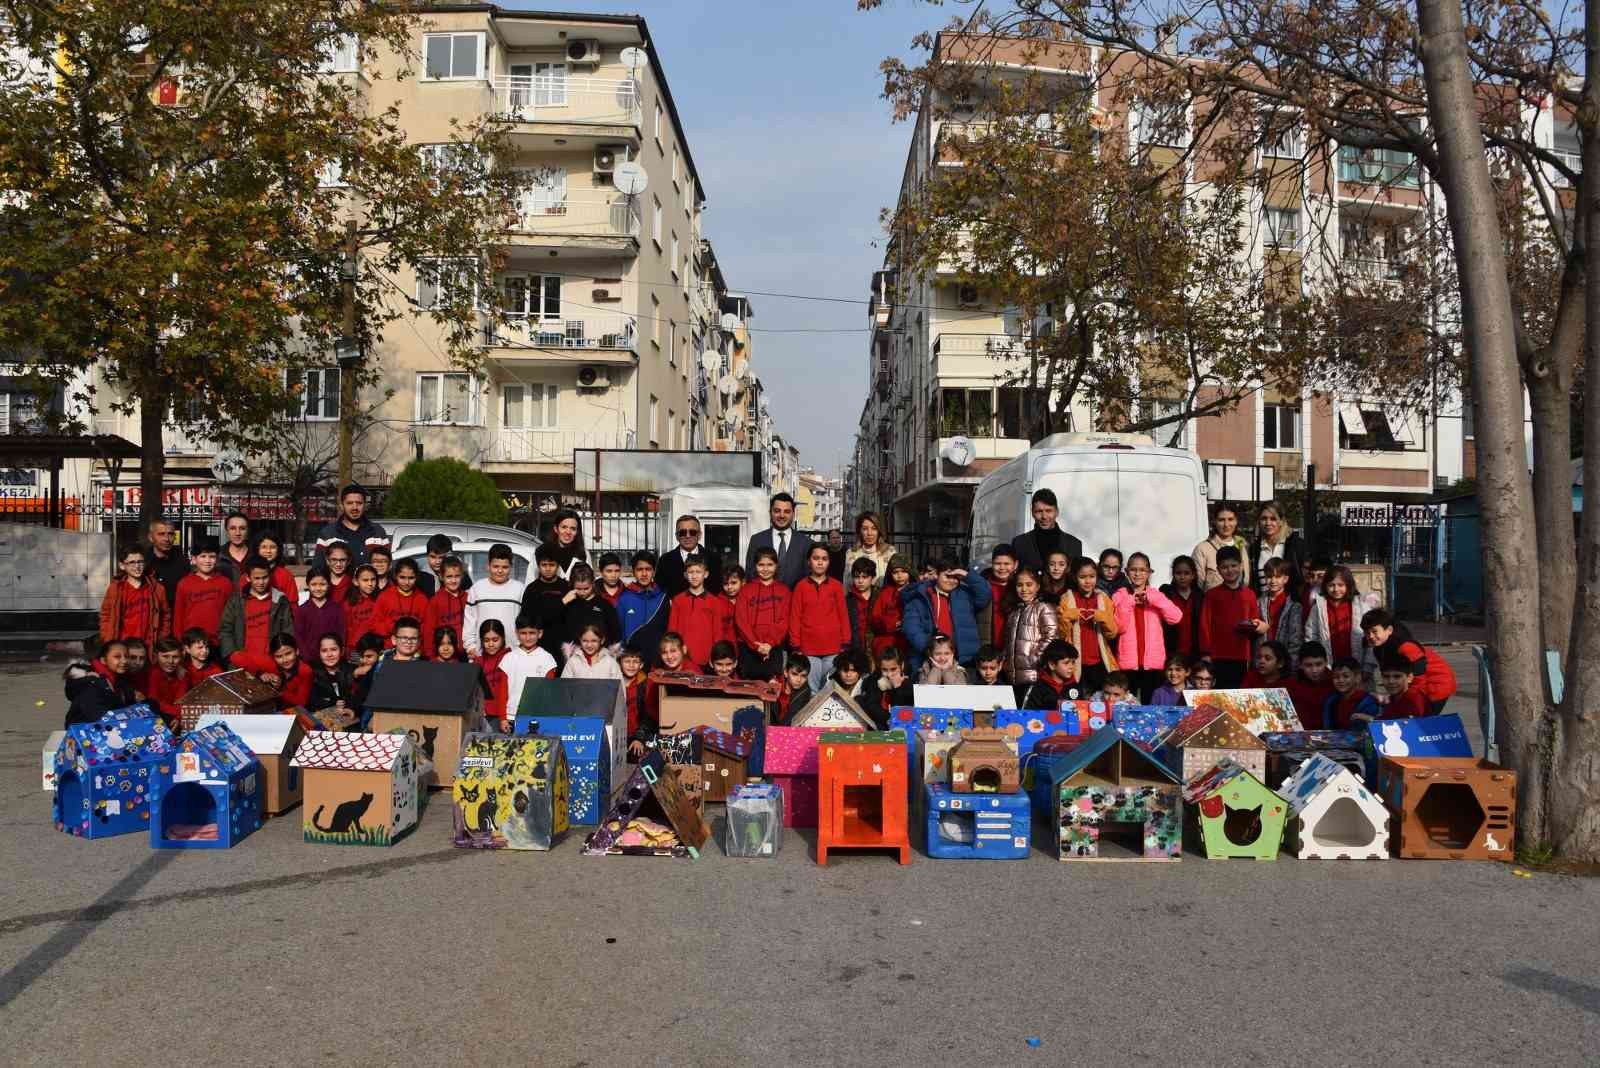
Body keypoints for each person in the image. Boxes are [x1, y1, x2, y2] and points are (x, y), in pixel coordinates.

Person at [900, 557, 992, 674]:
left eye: (956, 578)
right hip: (929, 660)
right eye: (947, 576)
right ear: (936, 575)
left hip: (963, 660)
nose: (951, 581)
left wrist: (966, 575)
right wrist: (931, 649)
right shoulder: (921, 596)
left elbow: (985, 593)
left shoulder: (964, 594)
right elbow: (911, 628)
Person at [1111, 552, 1183, 702]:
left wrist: (1152, 599)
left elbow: (1176, 617)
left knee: (1150, 706)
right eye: (1133, 570)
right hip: (1128, 664)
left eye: (1143, 570)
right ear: (1126, 571)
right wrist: (1131, 601)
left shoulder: (1156, 595)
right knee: (1126, 705)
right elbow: (1119, 627)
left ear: (1150, 572)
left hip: (1153, 664)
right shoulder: (1119, 595)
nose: (1138, 574)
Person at [1360, 610, 1458, 712]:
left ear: (1389, 630)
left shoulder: (1404, 646)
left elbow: (1419, 672)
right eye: (1367, 632)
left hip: (1436, 684)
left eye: (1374, 631)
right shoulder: (1379, 648)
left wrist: (1412, 698)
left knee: (1419, 721)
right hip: (1419, 684)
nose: (1371, 636)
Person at [790, 544, 851, 692]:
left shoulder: (836, 586)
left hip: (833, 647)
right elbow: (795, 616)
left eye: (824, 559)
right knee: (812, 691)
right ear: (809, 561)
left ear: (829, 562)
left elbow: (843, 615)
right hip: (808, 648)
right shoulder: (801, 586)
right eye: (816, 558)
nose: (820, 562)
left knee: (829, 690)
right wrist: (796, 645)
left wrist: (846, 642)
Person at [1198, 545, 1260, 689]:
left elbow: (1255, 622)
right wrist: (1206, 653)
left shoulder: (1249, 594)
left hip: (1242, 655)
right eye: (1225, 567)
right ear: (1218, 569)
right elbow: (1204, 625)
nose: (1230, 570)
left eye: (1233, 565)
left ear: (1241, 566)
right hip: (1218, 656)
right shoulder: (1211, 595)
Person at [1058, 557, 1118, 695]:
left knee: (1100, 703)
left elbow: (1112, 633)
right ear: (1074, 577)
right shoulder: (1067, 599)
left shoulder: (1103, 599)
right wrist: (1067, 617)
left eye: (1092, 576)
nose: (1088, 581)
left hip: (1099, 662)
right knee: (1075, 703)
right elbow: (1061, 635)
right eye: (1082, 577)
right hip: (1074, 663)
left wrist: (1103, 618)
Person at [218, 557, 294, 665]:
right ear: (248, 578)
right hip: (243, 663)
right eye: (256, 578)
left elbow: (288, 630)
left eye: (265, 577)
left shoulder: (280, 600)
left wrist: (282, 658)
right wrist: (234, 656)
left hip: (272, 663)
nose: (261, 582)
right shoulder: (236, 601)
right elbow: (225, 630)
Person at [669, 556, 735, 669]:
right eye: (691, 572)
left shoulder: (714, 602)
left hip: (706, 658)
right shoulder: (678, 600)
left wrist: (715, 657)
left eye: (698, 572)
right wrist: (673, 653)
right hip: (682, 658)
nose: (694, 576)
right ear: (685, 575)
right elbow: (672, 631)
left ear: (706, 574)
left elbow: (718, 634)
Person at [735, 546, 790, 680]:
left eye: (770, 565)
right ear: (755, 565)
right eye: (761, 565)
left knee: (772, 687)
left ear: (776, 565)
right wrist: (755, 644)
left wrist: (769, 644)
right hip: (749, 648)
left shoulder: (784, 591)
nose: (765, 569)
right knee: (749, 688)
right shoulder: (746, 590)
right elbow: (741, 620)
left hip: (773, 648)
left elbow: (784, 620)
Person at [1001, 566, 1058, 694]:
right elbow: (1008, 641)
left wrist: (1035, 658)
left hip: (1034, 674)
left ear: (1037, 586)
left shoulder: (1043, 608)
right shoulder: (1014, 611)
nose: (1024, 589)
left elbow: (1051, 636)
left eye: (1029, 584)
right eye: (1020, 585)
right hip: (1012, 676)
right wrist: (1005, 662)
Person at [463, 544, 526, 657]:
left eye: (505, 567)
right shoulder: (477, 589)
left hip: (513, 653)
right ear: (488, 565)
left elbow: (524, 622)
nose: (500, 571)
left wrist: (521, 647)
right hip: (482, 654)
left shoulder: (519, 589)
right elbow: (470, 621)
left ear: (511, 567)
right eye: (495, 566)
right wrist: (470, 646)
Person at [1305, 565, 1375, 665]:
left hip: (1357, 662)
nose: (1336, 589)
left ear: (1348, 585)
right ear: (1325, 586)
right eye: (1331, 585)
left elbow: (1371, 638)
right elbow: (1311, 635)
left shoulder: (1361, 605)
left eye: (1340, 585)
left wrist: (1368, 665)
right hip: (1328, 662)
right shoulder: (1318, 607)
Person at [100, 544, 168, 646]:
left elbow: (165, 616)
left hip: (148, 646)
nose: (137, 566)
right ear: (122, 565)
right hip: (122, 645)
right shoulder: (115, 589)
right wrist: (107, 639)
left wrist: (160, 640)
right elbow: (105, 615)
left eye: (140, 562)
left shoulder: (157, 589)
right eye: (132, 562)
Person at [1010, 488, 1085, 577]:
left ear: (1057, 512)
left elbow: (1077, 578)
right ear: (1032, 513)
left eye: (1048, 511)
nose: (1044, 516)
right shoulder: (1019, 543)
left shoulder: (1074, 544)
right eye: (1039, 511)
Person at [745, 492, 814, 587]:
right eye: (777, 511)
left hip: (795, 600)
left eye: (787, 511)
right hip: (764, 599)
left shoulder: (806, 543)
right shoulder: (757, 540)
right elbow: (750, 575)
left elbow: (809, 578)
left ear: (793, 514)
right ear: (770, 512)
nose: (782, 515)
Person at [63, 642, 138, 727]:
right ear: (103, 660)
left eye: (126, 656)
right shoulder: (90, 682)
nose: (124, 661)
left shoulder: (120, 681)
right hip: (84, 735)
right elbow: (96, 716)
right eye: (117, 657)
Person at [173, 537, 231, 646]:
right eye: (203, 556)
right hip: (191, 641)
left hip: (218, 641)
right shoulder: (184, 583)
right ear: (194, 559)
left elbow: (231, 616)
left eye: (212, 556)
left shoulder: (225, 583)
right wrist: (179, 642)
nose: (207, 561)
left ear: (217, 559)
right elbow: (178, 617)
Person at [315, 483, 388, 565]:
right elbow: (318, 571)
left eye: (359, 503)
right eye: (349, 503)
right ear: (342, 505)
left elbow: (386, 567)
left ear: (365, 505)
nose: (355, 507)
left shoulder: (378, 532)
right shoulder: (327, 534)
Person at [618, 550, 670, 664]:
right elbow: (620, 632)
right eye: (640, 569)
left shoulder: (662, 597)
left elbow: (667, 630)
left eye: (648, 569)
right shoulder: (624, 598)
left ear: (654, 571)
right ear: (633, 571)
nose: (644, 574)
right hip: (633, 661)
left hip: (657, 660)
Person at [500, 614, 557, 718]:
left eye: (532, 633)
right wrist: (503, 718)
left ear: (540, 633)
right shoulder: (508, 658)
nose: (527, 637)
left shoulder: (547, 659)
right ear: (517, 634)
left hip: (536, 715)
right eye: (523, 633)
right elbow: (502, 692)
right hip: (510, 716)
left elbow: (548, 693)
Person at [560, 563, 622, 658]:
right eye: (578, 589)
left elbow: (615, 630)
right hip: (575, 656)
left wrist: (610, 652)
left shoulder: (604, 604)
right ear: (572, 584)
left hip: (601, 655)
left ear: (593, 583)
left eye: (586, 588)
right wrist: (563, 602)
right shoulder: (569, 603)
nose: (582, 592)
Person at [521, 543, 571, 660]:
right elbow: (529, 618)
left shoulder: (566, 587)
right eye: (544, 565)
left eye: (552, 565)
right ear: (538, 566)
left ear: (558, 566)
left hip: (562, 646)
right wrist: (562, 602)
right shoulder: (532, 589)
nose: (548, 568)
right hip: (538, 645)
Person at [656, 513, 723, 599]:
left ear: (699, 535)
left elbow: (717, 589)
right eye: (683, 532)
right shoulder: (665, 560)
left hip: (706, 610)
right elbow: (660, 591)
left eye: (692, 532)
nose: (687, 536)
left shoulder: (714, 559)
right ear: (677, 536)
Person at [1251, 502, 1308, 595]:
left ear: (1281, 521)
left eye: (1273, 519)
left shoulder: (1295, 544)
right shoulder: (1254, 548)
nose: (1268, 523)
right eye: (1264, 518)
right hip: (1262, 605)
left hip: (1290, 604)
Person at [1192, 503, 1250, 591]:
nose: (1226, 524)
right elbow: (1197, 586)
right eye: (1221, 520)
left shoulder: (1242, 546)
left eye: (1230, 519)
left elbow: (1246, 581)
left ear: (1236, 521)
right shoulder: (1202, 549)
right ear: (1214, 522)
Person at [1257, 557, 1304, 666]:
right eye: (1269, 577)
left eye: (1277, 577)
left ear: (1285, 579)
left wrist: (1290, 664)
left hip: (1283, 660)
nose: (1273, 581)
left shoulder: (1294, 606)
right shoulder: (1258, 602)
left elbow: (1295, 640)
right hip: (1263, 659)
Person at [868, 554, 913, 664]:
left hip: (909, 641)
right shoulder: (885, 593)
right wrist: (892, 624)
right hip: (886, 641)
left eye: (903, 571)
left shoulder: (916, 592)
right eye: (895, 572)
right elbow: (875, 618)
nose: (899, 575)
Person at [293, 567, 345, 660]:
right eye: (314, 584)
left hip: (332, 658)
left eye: (322, 584)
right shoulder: (301, 610)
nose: (318, 588)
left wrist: (337, 654)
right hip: (309, 659)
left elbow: (341, 633)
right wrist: (307, 657)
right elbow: (298, 637)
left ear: (329, 584)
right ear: (307, 585)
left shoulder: (336, 609)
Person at [1159, 554, 1205, 659]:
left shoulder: (1200, 596)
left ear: (1193, 575)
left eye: (1187, 573)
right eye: (1178, 573)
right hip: (1171, 652)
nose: (1182, 577)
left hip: (1195, 653)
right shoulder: (1166, 594)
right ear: (1173, 575)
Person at [422, 555, 469, 654]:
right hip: (444, 654)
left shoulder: (468, 598)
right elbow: (429, 630)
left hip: (467, 652)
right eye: (449, 577)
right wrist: (430, 655)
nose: (453, 580)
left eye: (457, 576)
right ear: (441, 577)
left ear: (462, 576)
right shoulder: (436, 601)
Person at [373, 558, 426, 643]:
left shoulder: (422, 599)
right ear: (395, 576)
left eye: (411, 578)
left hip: (414, 648)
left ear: (417, 577)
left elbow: (426, 627)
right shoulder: (385, 596)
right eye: (402, 577)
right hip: (390, 648)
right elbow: (375, 624)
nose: (407, 582)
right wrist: (394, 627)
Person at [977, 544, 1018, 650]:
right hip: (986, 647)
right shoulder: (981, 586)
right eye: (997, 563)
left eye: (1007, 564)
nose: (1002, 568)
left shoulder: (1021, 588)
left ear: (1015, 565)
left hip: (1012, 648)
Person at [1022, 639, 1084, 709]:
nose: (1071, 667)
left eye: (1073, 662)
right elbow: (1028, 713)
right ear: (1052, 665)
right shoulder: (1038, 688)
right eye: (1066, 663)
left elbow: (1081, 712)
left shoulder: (1075, 687)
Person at [1286, 642, 1335, 728]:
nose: (1314, 670)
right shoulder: (1292, 684)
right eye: (1308, 665)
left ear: (1326, 662)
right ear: (1300, 665)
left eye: (1318, 664)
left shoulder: (1335, 681)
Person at [143, 636, 189, 728]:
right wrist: (178, 713)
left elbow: (180, 702)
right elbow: (153, 704)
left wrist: (178, 718)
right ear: (156, 656)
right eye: (165, 656)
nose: (170, 661)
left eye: (175, 657)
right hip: (151, 717)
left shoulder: (183, 675)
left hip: (173, 717)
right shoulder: (152, 673)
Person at [862, 647, 913, 728]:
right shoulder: (875, 681)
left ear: (902, 666)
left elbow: (901, 713)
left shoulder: (908, 685)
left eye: (893, 669)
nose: (889, 675)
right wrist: (888, 719)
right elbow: (871, 706)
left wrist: (897, 688)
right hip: (881, 725)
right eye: (885, 670)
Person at [142, 518, 188, 608]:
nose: (166, 539)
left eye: (170, 534)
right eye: (161, 534)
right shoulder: (142, 563)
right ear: (151, 537)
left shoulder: (183, 562)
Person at [844, 510, 898, 586]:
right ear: (859, 531)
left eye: (874, 528)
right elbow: (847, 583)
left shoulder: (890, 551)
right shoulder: (851, 553)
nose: (869, 533)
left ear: (879, 531)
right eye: (865, 529)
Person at [308, 634, 357, 718]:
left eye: (334, 649)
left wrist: (350, 707)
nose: (329, 654)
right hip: (324, 719)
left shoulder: (352, 670)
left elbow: (358, 697)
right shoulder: (313, 673)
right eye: (324, 651)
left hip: (349, 718)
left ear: (342, 651)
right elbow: (312, 701)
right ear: (319, 653)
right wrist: (332, 703)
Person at [243, 532, 299, 604]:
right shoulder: (248, 574)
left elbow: (293, 603)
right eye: (264, 547)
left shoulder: (286, 575)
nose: (268, 551)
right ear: (257, 549)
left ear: (278, 550)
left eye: (272, 547)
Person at [1326, 656, 1380, 728]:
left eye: (1346, 676)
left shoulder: (1368, 702)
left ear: (1357, 678)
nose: (1341, 680)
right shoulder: (1332, 700)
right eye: (1336, 677)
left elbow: (1375, 727)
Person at [475, 620, 511, 728]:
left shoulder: (510, 658)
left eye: (495, 640)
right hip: (482, 714)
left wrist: (503, 717)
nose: (491, 644)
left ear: (503, 638)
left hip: (504, 716)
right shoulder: (478, 662)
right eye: (486, 640)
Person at [618, 644, 651, 756]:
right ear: (619, 663)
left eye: (635, 662)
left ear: (641, 665)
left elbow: (648, 715)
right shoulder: (614, 682)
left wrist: (639, 738)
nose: (631, 665)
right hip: (617, 733)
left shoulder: (644, 684)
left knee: (636, 755)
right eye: (627, 661)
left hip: (636, 734)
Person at [343, 564, 381, 655]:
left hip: (378, 649)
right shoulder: (349, 603)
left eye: (373, 579)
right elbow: (346, 629)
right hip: (355, 650)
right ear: (356, 582)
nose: (370, 583)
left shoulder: (381, 599)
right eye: (365, 580)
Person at [844, 557, 877, 655]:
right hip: (855, 649)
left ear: (873, 578)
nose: (860, 581)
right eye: (857, 577)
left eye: (865, 577)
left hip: (876, 648)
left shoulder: (879, 597)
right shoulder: (847, 601)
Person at [544, 507, 587, 582]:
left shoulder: (584, 554)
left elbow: (589, 584)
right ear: (556, 529)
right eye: (564, 527)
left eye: (573, 528)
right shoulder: (542, 552)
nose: (568, 532)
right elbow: (530, 584)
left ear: (577, 532)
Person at [216, 511, 254, 584]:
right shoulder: (217, 555)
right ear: (227, 531)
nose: (237, 533)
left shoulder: (256, 554)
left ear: (248, 531)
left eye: (242, 528)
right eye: (233, 528)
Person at [774, 653, 813, 725]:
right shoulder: (774, 684)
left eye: (803, 676)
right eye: (794, 674)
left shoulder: (805, 692)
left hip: (786, 731)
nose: (798, 679)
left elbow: (791, 719)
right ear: (785, 672)